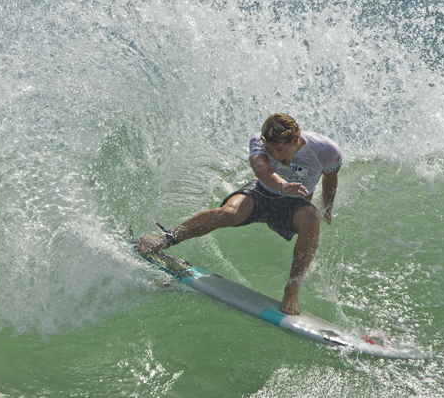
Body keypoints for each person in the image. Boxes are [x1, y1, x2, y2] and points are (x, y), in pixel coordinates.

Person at [136, 113, 342, 315]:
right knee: (229, 213)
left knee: (312, 218)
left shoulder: (326, 150)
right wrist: (284, 186)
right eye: (272, 150)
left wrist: (327, 207)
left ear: (295, 139)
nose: (276, 156)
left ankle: (291, 291)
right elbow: (261, 170)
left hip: (295, 204)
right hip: (262, 192)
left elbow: (330, 178)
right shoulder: (258, 141)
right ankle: (163, 240)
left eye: (280, 150)